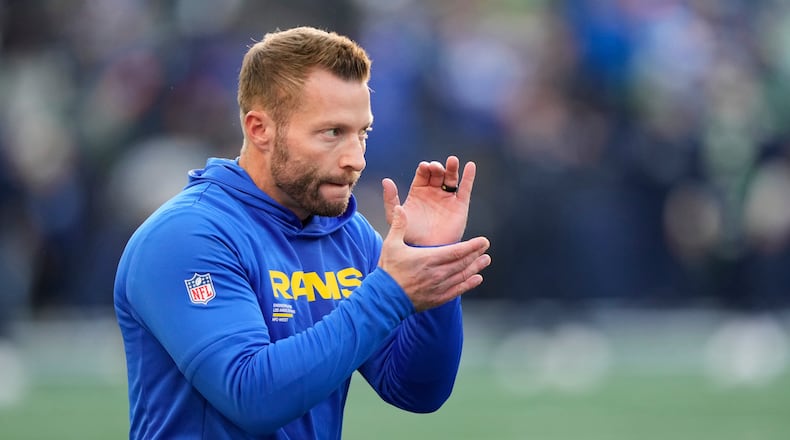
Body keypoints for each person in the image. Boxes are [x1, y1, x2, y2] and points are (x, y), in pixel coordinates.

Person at [113, 26, 491, 439]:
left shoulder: (347, 234)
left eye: (362, 133)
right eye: (332, 133)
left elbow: (415, 391)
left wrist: (429, 260)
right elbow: (251, 396)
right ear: (260, 129)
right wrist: (389, 293)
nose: (356, 159)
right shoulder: (186, 237)